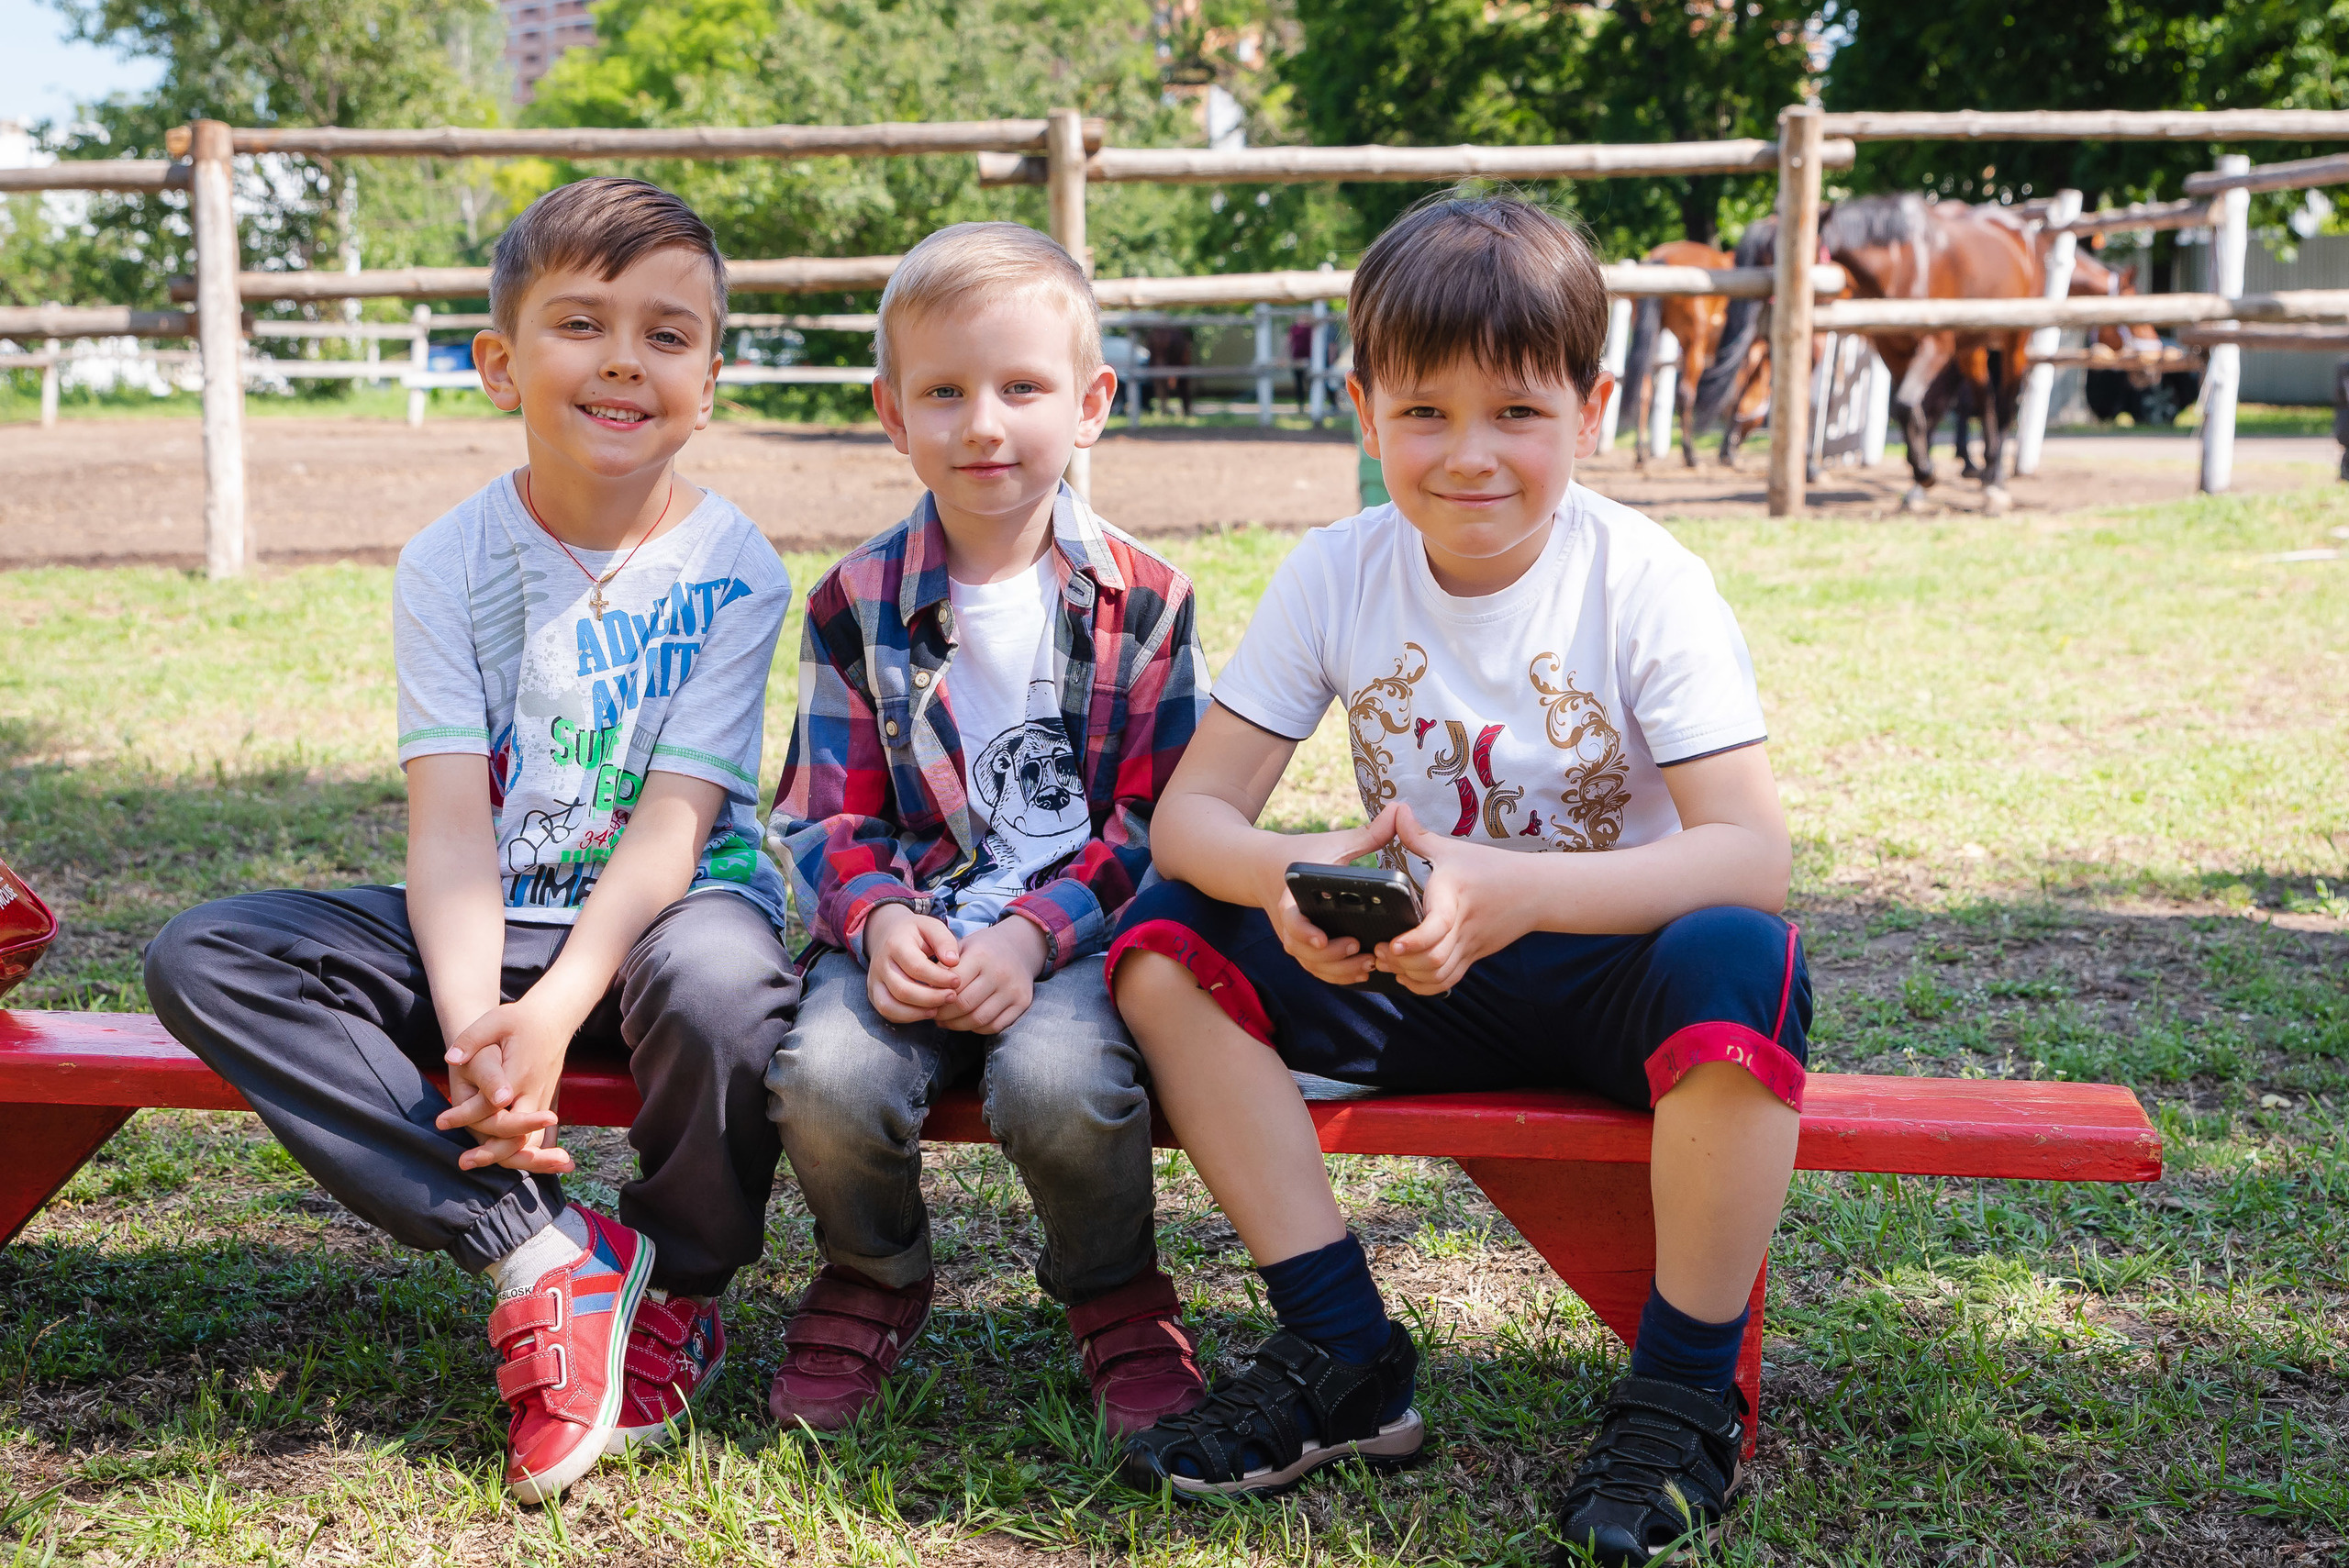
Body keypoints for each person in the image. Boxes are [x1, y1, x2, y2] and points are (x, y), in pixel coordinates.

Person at [1106, 194, 1810, 1566]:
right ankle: (1342, 1348)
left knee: (1746, 954)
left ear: (1592, 411)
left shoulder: (1646, 581)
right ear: (1365, 410)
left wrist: (1526, 890)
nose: (1469, 454)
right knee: (1163, 938)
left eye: (1518, 414)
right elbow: (1190, 817)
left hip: (1604, 974)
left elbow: (1752, 852)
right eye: (1424, 413)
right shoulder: (1337, 571)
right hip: (1404, 971)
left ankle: (1679, 1397)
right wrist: (1292, 883)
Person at [144, 177, 799, 1505]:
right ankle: (544, 1255)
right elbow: (449, 829)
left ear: (710, 380)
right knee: (208, 954)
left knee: (729, 988)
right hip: (492, 921)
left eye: (669, 334)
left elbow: (676, 825)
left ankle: (676, 1287)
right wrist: (478, 1034)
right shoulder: (450, 558)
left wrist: (553, 1009)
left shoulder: (740, 564)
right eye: (582, 323)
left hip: (666, 916)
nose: (625, 357)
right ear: (501, 365)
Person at [762, 222, 1211, 1439]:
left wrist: (1029, 934)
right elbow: (823, 810)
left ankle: (1113, 1286)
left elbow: (1167, 822)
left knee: (1065, 1080)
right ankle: (874, 1271)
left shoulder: (1146, 598)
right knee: (827, 1074)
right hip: (910, 926)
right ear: (891, 413)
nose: (985, 424)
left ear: (1092, 403)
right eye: (945, 392)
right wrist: (883, 914)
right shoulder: (856, 602)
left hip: (1076, 936)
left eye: (1023, 387)